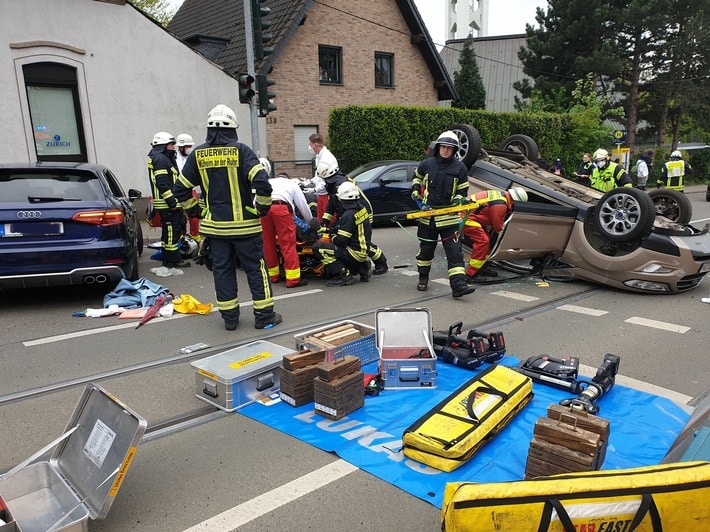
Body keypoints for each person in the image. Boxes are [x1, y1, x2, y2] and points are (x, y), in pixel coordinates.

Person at [173, 104, 281, 331]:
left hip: (216, 230)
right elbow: (262, 182)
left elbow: (181, 189)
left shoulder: (198, 154)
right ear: (233, 128)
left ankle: (230, 319)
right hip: (245, 229)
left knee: (222, 271)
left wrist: (196, 211)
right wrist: (261, 209)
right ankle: (264, 317)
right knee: (255, 269)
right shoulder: (242, 151)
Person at [411, 131, 476, 299]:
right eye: (444, 147)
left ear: (454, 151)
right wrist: (415, 191)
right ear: (439, 147)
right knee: (426, 252)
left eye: (450, 148)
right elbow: (416, 178)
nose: (446, 150)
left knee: (455, 253)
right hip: (428, 217)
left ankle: (459, 286)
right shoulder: (427, 164)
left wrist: (458, 200)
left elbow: (462, 189)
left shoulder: (460, 168)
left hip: (449, 218)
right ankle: (423, 277)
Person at [316, 160, 388, 276]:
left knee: (363, 242)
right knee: (356, 242)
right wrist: (325, 221)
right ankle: (361, 266)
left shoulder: (341, 184)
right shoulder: (334, 184)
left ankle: (381, 263)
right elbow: (332, 205)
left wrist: (333, 230)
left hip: (362, 212)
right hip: (351, 213)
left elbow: (341, 205)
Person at [259, 157, 312, 288]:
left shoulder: (269, 181)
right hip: (281, 209)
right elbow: (302, 205)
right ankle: (293, 279)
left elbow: (256, 201)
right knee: (287, 243)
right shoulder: (292, 184)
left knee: (268, 243)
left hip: (264, 209)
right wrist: (310, 222)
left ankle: (273, 276)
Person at [312, 182, 372, 286]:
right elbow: (346, 228)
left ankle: (343, 275)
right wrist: (328, 230)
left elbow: (341, 240)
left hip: (354, 252)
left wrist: (331, 236)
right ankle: (362, 267)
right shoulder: (361, 209)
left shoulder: (348, 215)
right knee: (338, 248)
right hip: (363, 251)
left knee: (318, 247)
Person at [462, 188, 528, 283]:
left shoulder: (501, 196)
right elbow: (498, 227)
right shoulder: (500, 205)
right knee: (483, 241)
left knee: (487, 241)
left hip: (471, 216)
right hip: (467, 217)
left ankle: (483, 268)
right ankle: (471, 274)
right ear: (515, 201)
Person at [147, 131, 189, 268]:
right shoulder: (160, 159)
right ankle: (172, 260)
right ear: (163, 146)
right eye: (171, 145)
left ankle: (169, 258)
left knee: (169, 231)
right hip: (167, 204)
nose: (173, 148)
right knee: (172, 231)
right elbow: (163, 183)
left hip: (168, 203)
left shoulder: (162, 158)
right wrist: (172, 202)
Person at [176, 133, 201, 242]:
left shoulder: (192, 157)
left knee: (194, 215)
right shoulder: (174, 157)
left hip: (191, 189)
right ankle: (181, 236)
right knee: (179, 215)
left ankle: (195, 237)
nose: (189, 149)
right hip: (178, 189)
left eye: (190, 146)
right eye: (187, 146)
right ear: (181, 147)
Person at [308, 133, 338, 220]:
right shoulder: (319, 157)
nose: (310, 147)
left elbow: (326, 179)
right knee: (320, 221)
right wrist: (309, 182)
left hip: (327, 194)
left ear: (316, 144)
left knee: (328, 221)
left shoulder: (326, 158)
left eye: (310, 144)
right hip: (321, 194)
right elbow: (319, 176)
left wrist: (313, 190)